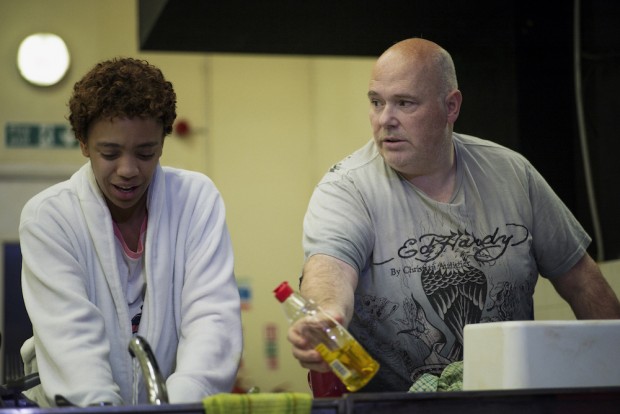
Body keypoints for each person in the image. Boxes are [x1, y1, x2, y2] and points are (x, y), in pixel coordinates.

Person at [287, 38, 620, 392]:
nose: (386, 119)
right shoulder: (346, 187)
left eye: (404, 103)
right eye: (376, 102)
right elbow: (329, 269)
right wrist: (326, 315)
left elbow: (582, 280)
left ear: (451, 106)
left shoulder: (512, 175)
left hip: (510, 403)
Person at [19, 58, 242, 406]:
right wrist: (99, 409)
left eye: (145, 152)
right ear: (83, 143)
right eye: (109, 153)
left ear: (163, 144)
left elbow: (211, 319)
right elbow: (71, 339)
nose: (128, 170)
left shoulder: (196, 200)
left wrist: (179, 409)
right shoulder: (50, 217)